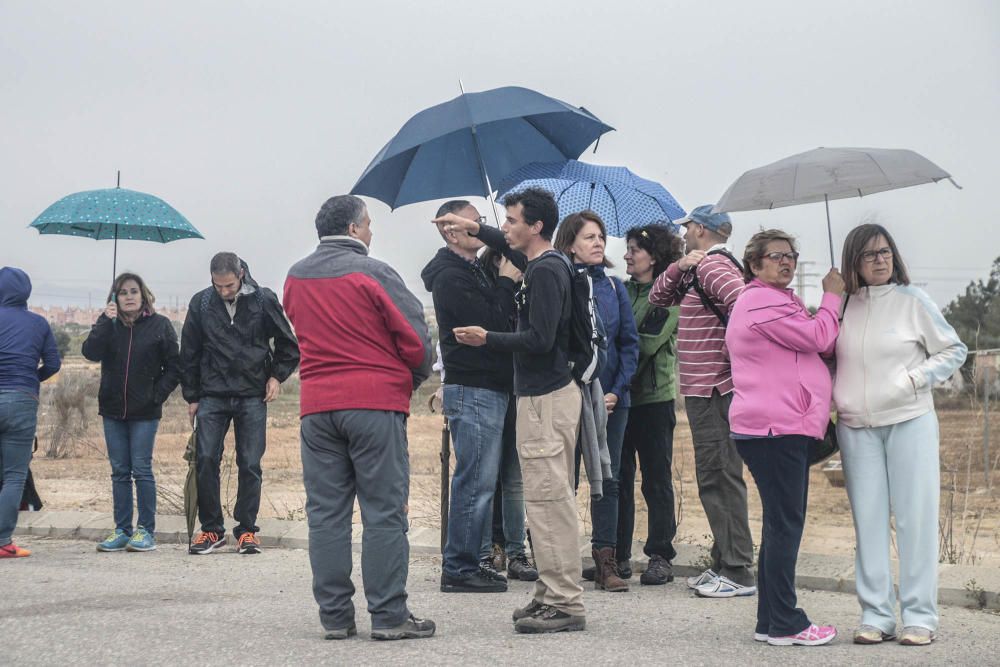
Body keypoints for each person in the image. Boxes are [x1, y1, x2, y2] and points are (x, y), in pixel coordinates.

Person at [284, 194, 436, 641]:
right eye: (368, 224)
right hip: (373, 403)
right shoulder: (375, 272)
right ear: (353, 229)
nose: (371, 231)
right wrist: (411, 376)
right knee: (384, 512)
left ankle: (334, 617)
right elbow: (414, 337)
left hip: (317, 407)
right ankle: (388, 615)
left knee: (326, 515)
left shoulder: (294, 277)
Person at [440, 187, 586, 634]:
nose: (504, 228)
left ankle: (564, 602)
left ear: (536, 226)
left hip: (546, 398)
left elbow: (540, 340)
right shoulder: (547, 262)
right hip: (544, 396)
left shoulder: (543, 272)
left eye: (512, 220)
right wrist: (473, 228)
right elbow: (504, 246)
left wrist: (489, 337)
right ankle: (548, 592)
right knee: (544, 500)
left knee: (548, 501)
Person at [834, 224, 967, 647]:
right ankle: (875, 615)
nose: (879, 260)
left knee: (915, 520)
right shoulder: (840, 305)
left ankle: (919, 617)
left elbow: (954, 349)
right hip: (856, 427)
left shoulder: (912, 300)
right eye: (870, 254)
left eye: (885, 252)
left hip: (910, 419)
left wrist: (914, 379)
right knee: (868, 523)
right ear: (853, 260)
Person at [726, 229, 843, 646]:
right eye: (775, 256)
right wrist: (833, 296)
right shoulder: (759, 300)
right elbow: (818, 337)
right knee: (786, 524)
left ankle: (770, 621)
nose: (786, 262)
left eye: (790, 255)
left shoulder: (776, 301)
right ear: (755, 266)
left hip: (777, 427)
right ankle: (787, 623)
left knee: (780, 523)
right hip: (775, 428)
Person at [422, 201, 537, 593]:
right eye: (476, 220)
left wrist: (503, 277)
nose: (485, 225)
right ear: (453, 231)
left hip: (492, 386)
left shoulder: (472, 269)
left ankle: (468, 561)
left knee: (482, 480)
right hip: (473, 387)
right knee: (475, 480)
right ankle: (459, 567)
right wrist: (505, 283)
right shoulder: (449, 276)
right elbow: (487, 325)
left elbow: (522, 257)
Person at [648, 205, 756, 597]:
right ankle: (724, 562)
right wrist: (679, 266)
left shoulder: (713, 268)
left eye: (687, 230)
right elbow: (660, 296)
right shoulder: (697, 268)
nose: (683, 235)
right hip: (703, 388)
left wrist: (730, 365)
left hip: (713, 388)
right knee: (715, 474)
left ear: (698, 228)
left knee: (719, 476)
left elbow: (747, 311)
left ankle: (739, 571)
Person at [181, 253, 299, 555]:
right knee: (206, 458)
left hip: (252, 394)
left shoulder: (263, 300)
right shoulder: (201, 303)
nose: (224, 291)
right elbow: (190, 352)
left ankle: (246, 530)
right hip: (212, 394)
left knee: (249, 463)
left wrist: (276, 377)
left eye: (229, 285)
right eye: (218, 286)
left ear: (242, 274)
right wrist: (192, 396)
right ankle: (211, 531)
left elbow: (288, 345)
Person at [553, 211, 638, 593]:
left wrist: (616, 391)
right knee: (565, 479)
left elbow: (628, 345)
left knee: (609, 479)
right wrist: (576, 391)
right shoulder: (560, 283)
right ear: (570, 243)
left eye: (601, 236)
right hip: (569, 397)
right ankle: (561, 563)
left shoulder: (616, 288)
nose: (599, 242)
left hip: (611, 401)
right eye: (589, 237)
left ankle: (607, 562)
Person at [82, 273, 181, 553]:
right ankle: (122, 530)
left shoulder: (159, 325)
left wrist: (156, 395)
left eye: (133, 291)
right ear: (114, 297)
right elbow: (90, 352)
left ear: (143, 295)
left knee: (141, 469)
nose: (128, 296)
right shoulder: (109, 325)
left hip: (145, 412)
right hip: (113, 409)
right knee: (119, 472)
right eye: (122, 292)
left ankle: (145, 531)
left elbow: (175, 366)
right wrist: (104, 320)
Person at [617, 224, 683, 585]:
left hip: (653, 400)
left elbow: (644, 344)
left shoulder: (668, 296)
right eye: (627, 249)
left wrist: (614, 363)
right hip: (621, 400)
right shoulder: (619, 291)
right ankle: (617, 556)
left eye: (634, 250)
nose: (627, 254)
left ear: (654, 256)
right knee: (619, 479)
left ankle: (660, 555)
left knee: (656, 479)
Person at [477, 247, 533, 579]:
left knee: (514, 478)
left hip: (519, 390)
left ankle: (517, 554)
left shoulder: (527, 293)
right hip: (489, 388)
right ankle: (484, 553)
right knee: (485, 477)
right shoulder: (489, 291)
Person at [0, 267, 60, 559]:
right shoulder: (39, 323)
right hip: (22, 399)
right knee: (14, 476)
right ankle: (3, 542)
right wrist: (29, 379)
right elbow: (54, 364)